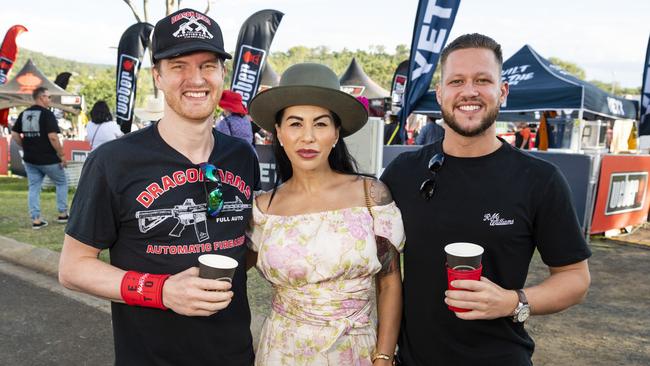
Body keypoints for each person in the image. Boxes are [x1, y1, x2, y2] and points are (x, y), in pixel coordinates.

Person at [58, 8, 260, 366]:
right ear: (157, 76)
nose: (195, 79)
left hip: (235, 354)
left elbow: (243, 245)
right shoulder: (114, 161)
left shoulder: (242, 156)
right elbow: (73, 268)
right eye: (179, 66)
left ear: (222, 74)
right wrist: (163, 291)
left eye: (208, 65)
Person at [381, 33, 591, 366]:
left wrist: (512, 301)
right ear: (440, 94)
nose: (469, 91)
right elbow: (378, 265)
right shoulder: (403, 172)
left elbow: (575, 279)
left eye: (483, 80)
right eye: (456, 81)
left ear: (502, 92)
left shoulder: (539, 180)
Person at [247, 63, 405, 365]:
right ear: (278, 132)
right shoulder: (264, 209)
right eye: (295, 124)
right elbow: (229, 269)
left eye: (320, 124)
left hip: (355, 352)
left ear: (335, 133)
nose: (307, 137)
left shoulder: (370, 196)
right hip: (282, 352)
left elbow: (389, 280)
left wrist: (384, 356)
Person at [11, 86, 68, 229]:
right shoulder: (47, 114)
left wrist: (25, 146)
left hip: (30, 159)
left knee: (34, 187)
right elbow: (53, 137)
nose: (50, 100)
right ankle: (63, 214)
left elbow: (15, 135)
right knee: (61, 182)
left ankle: (36, 219)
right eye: (48, 97)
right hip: (48, 159)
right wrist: (62, 155)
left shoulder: (24, 113)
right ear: (41, 97)